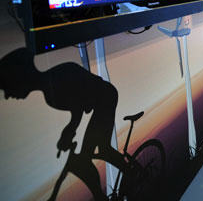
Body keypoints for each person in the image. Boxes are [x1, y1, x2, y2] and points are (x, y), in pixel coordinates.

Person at [0, 48, 128, 201]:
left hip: (106, 98)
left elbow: (78, 106)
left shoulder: (54, 84)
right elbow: (77, 107)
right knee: (86, 157)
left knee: (102, 149)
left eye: (8, 87)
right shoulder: (51, 93)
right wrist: (69, 131)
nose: (8, 95)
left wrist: (69, 131)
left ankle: (131, 173)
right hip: (99, 100)